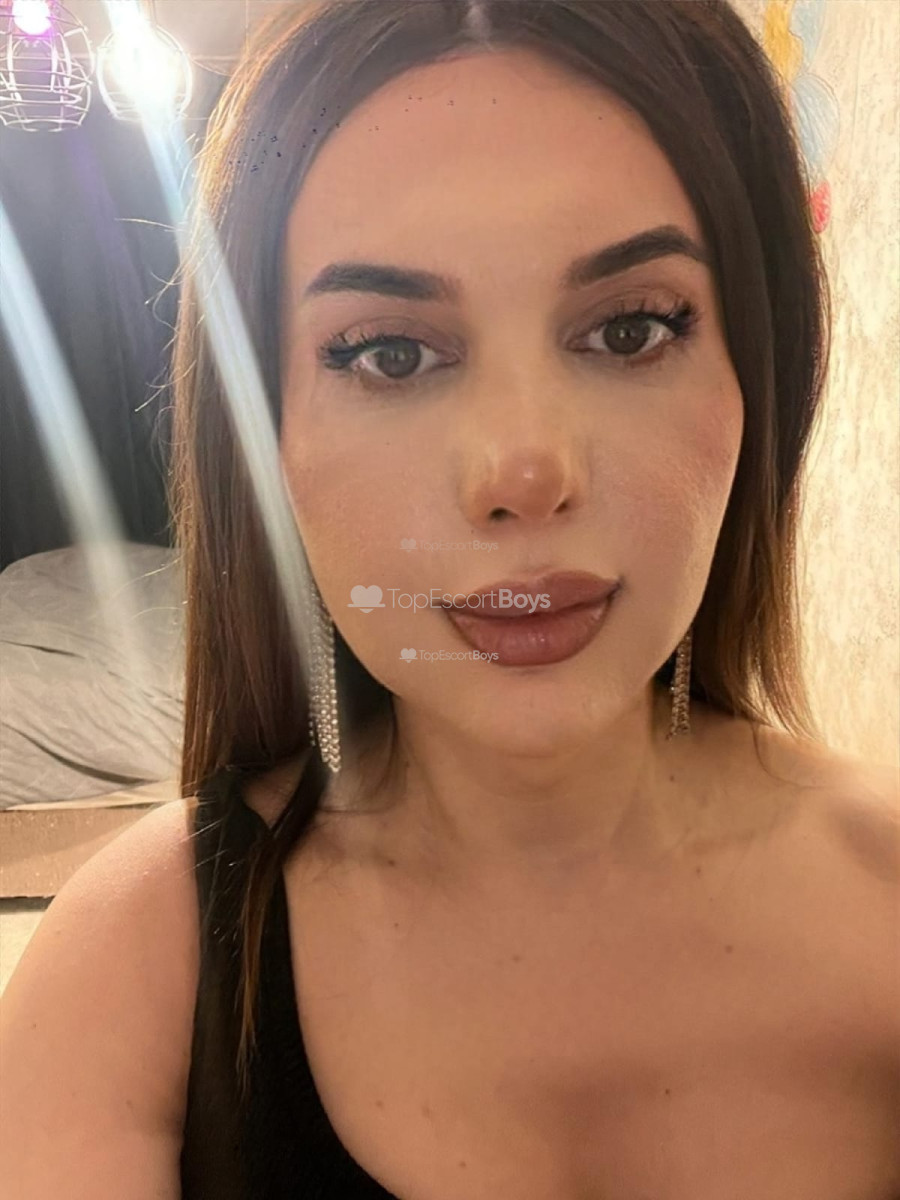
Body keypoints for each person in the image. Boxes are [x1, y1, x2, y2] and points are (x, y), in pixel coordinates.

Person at [2, 1, 898, 1197]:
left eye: (631, 329)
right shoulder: (131, 974)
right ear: (263, 436)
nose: (523, 473)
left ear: (761, 374)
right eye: (390, 354)